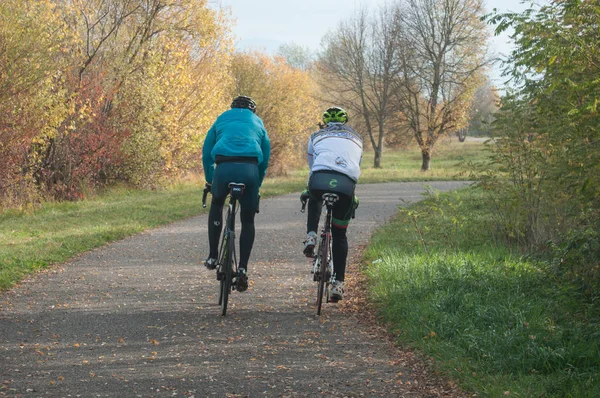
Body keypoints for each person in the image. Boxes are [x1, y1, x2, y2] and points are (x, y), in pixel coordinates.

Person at [202, 95, 270, 292]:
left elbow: (207, 151)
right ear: (252, 110)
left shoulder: (221, 118)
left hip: (223, 168)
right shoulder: (258, 122)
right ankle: (242, 268)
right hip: (249, 170)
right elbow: (264, 158)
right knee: (247, 220)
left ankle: (213, 255)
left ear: (232, 107)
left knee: (217, 204)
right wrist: (258, 182)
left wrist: (209, 178)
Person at [301, 106, 362, 301]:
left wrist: (308, 190)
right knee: (340, 233)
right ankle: (338, 284)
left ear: (325, 122)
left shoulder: (316, 136)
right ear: (345, 122)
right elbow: (354, 166)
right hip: (346, 185)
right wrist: (353, 196)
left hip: (320, 179)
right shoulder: (357, 138)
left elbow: (313, 166)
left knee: (314, 195)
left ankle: (311, 236)